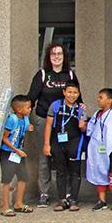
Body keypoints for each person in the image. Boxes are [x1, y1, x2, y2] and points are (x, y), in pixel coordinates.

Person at [27, 42, 78, 207]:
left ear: (64, 57)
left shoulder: (70, 74)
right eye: (53, 54)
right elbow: (31, 98)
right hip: (44, 119)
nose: (57, 57)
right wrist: (26, 119)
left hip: (66, 121)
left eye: (60, 54)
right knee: (45, 155)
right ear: (49, 57)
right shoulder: (42, 74)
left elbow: (78, 96)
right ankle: (44, 192)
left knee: (67, 155)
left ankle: (68, 193)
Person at [44, 80, 85, 212]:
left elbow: (84, 129)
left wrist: (83, 124)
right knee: (60, 171)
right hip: (57, 141)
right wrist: (46, 144)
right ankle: (61, 199)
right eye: (69, 92)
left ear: (78, 94)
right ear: (64, 92)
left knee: (75, 171)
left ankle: (73, 199)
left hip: (75, 142)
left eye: (75, 93)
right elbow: (49, 125)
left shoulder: (80, 108)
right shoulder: (55, 106)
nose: (72, 95)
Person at [0, 95, 35, 217]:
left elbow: (23, 130)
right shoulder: (12, 119)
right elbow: (5, 138)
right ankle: (5, 206)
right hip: (8, 152)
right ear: (19, 109)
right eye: (28, 107)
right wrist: (16, 150)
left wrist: (29, 128)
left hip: (19, 152)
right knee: (7, 180)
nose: (30, 109)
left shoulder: (25, 119)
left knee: (23, 177)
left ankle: (18, 203)